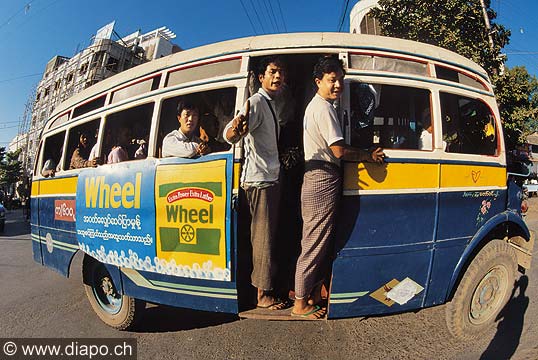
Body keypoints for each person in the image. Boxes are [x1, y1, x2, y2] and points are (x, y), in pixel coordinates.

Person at [292, 56, 385, 318]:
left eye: (340, 81)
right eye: (332, 80)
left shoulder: (320, 107)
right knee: (314, 242)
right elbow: (338, 149)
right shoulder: (322, 108)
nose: (337, 86)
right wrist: (368, 155)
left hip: (319, 177)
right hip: (321, 178)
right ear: (318, 81)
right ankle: (300, 304)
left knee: (315, 239)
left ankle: (307, 292)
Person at [223, 57, 287, 310]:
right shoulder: (256, 102)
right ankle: (262, 296)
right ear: (261, 77)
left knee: (266, 237)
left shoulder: (269, 103)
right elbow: (233, 132)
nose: (277, 76)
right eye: (272, 71)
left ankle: (265, 288)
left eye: (281, 72)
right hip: (259, 181)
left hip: (269, 178)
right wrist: (235, 130)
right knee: (263, 240)